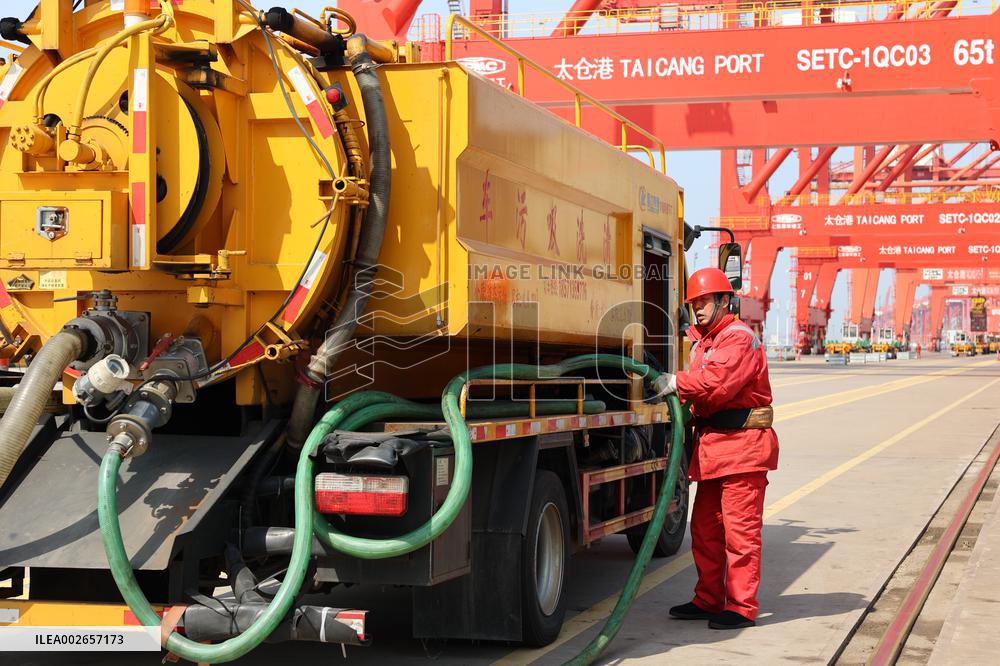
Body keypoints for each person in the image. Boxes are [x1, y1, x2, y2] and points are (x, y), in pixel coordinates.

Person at [653, 267, 779, 630]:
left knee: (740, 534)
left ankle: (741, 606)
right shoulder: (706, 342)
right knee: (705, 529)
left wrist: (676, 382)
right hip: (714, 450)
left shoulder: (738, 338)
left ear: (725, 301)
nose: (698, 308)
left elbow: (717, 383)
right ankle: (709, 599)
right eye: (694, 303)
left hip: (742, 450)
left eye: (705, 300)